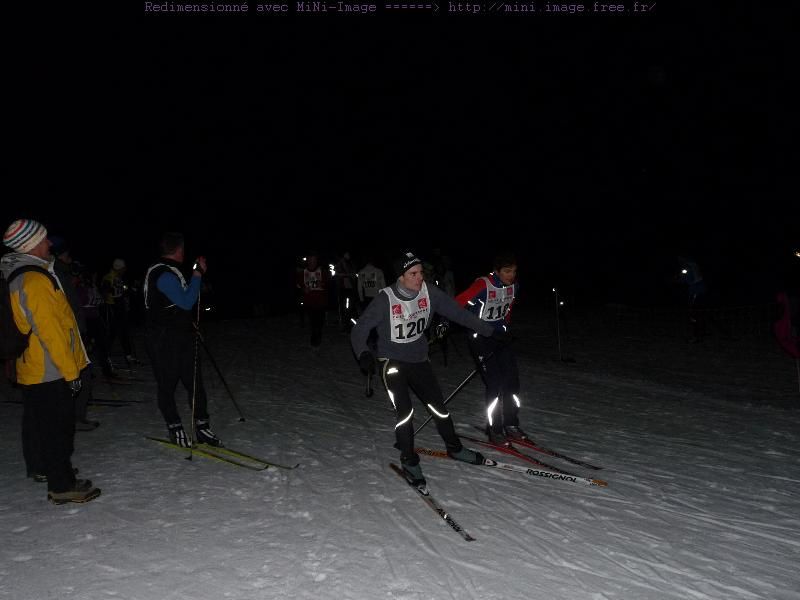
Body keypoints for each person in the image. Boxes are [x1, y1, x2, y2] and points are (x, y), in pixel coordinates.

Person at [350, 250, 511, 487]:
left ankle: (455, 448)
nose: (418, 278)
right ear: (401, 277)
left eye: (420, 273)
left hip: (418, 360)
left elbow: (457, 313)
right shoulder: (385, 299)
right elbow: (359, 330)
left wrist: (492, 332)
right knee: (405, 413)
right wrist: (363, 353)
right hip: (391, 363)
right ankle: (409, 459)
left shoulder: (429, 292)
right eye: (412, 274)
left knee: (439, 409)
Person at [1, 218, 100, 504]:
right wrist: (71, 372)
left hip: (37, 367)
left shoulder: (25, 273)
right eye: (44, 239)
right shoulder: (33, 279)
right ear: (31, 244)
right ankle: (62, 485)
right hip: (50, 368)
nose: (49, 244)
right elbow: (51, 332)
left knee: (46, 425)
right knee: (59, 428)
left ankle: (56, 471)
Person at [143, 232, 220, 447]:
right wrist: (197, 275)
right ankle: (175, 427)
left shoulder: (171, 271)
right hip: (163, 341)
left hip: (181, 337)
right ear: (180, 250)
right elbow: (186, 303)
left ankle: (203, 427)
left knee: (194, 382)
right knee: (167, 385)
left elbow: (179, 305)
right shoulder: (162, 273)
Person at [455, 252, 526, 447]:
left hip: (500, 339)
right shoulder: (482, 285)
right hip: (481, 339)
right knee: (494, 383)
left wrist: (506, 328)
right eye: (507, 271)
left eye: (514, 271)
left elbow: (507, 310)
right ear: (496, 271)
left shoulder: (513, 286)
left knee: (512, 382)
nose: (511, 275)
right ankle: (494, 428)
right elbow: (456, 304)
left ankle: (511, 423)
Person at [49, 236, 100, 431]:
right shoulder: (59, 273)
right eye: (68, 256)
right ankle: (74, 418)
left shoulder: (62, 272)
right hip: (69, 332)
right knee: (78, 374)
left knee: (77, 374)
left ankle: (73, 416)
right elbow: (69, 307)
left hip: (71, 330)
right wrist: (81, 332)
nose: (70, 260)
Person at [101, 257, 139, 366]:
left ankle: (128, 356)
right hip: (111, 308)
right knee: (111, 333)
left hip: (120, 308)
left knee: (124, 332)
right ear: (119, 268)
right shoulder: (109, 277)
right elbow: (105, 291)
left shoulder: (119, 277)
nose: (125, 270)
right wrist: (111, 291)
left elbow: (124, 290)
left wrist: (130, 290)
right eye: (123, 268)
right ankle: (106, 357)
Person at [297, 252, 330, 349]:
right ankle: (315, 338)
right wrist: (303, 289)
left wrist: (323, 284)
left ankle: (317, 335)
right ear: (308, 261)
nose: (313, 262)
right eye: (311, 260)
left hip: (321, 301)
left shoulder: (322, 271)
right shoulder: (303, 273)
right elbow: (298, 285)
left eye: (314, 260)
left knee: (319, 321)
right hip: (309, 301)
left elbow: (328, 283)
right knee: (312, 321)